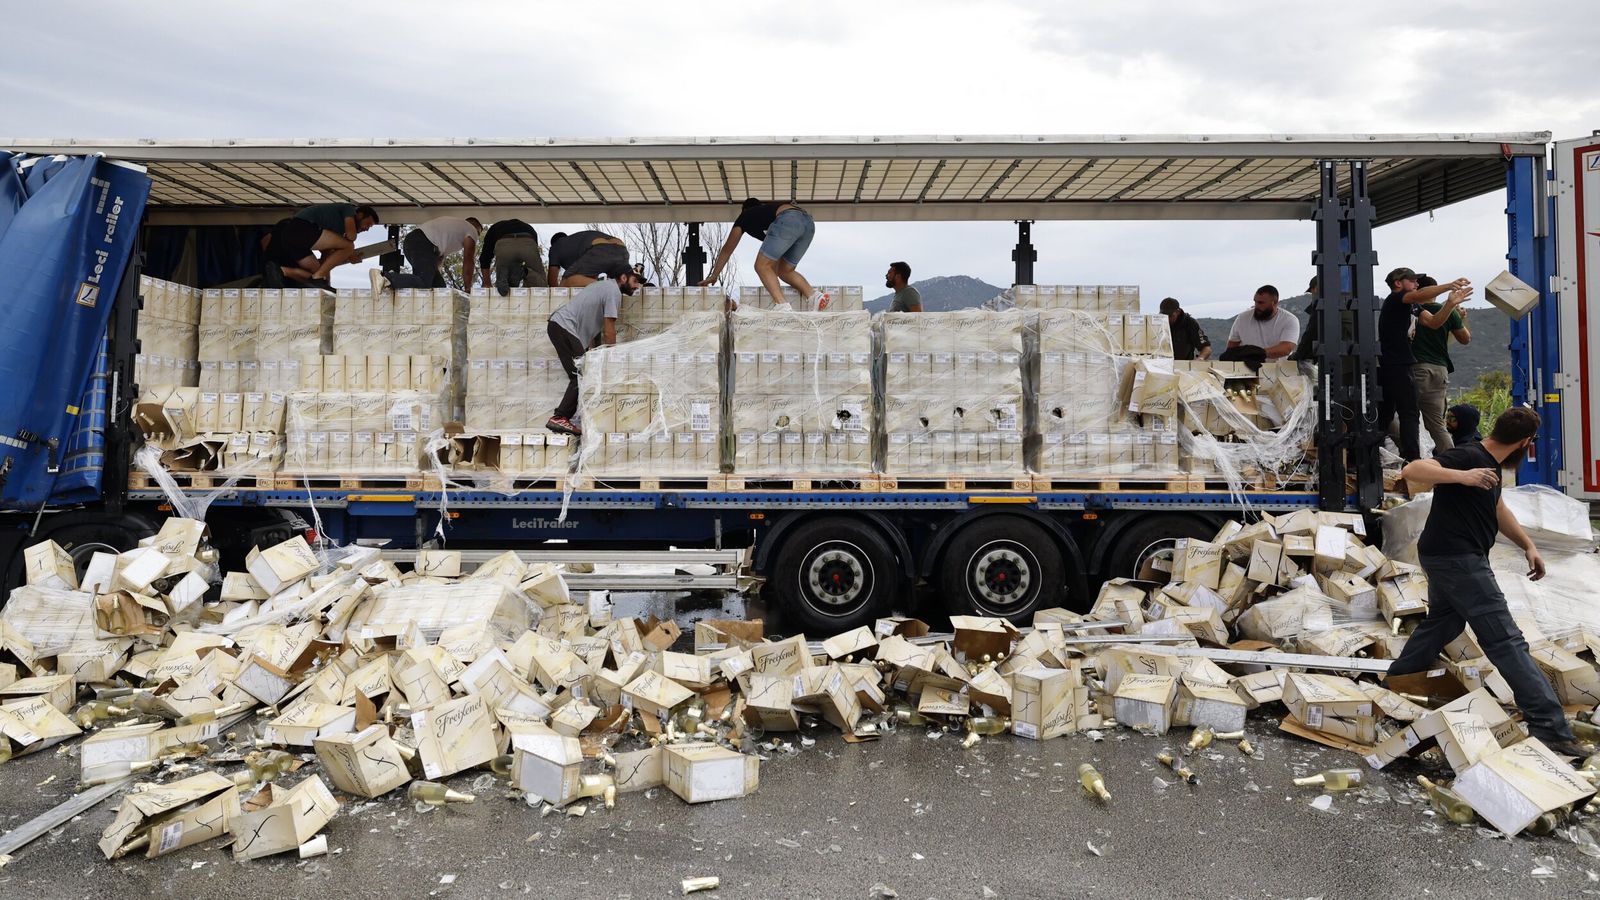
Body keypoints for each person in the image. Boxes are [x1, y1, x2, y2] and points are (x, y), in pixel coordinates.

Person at [1381, 407, 1584, 758]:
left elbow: (1498, 508)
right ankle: (1551, 728)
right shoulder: (1469, 456)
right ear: (1525, 443)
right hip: (1458, 560)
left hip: (1449, 557)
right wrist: (1463, 477)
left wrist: (1528, 546)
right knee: (1506, 640)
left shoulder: (1489, 463)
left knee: (1444, 622)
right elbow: (1412, 470)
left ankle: (1398, 679)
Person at [1378, 267, 1470, 462]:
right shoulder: (1396, 299)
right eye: (1412, 280)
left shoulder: (1414, 307)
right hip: (1396, 363)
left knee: (1389, 414)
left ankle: (1388, 454)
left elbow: (1434, 322)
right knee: (1408, 413)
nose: (1417, 284)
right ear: (1398, 283)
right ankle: (1413, 459)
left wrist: (1450, 305)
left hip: (1403, 363)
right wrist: (1448, 286)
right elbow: (1418, 295)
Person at [545, 267, 644, 436]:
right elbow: (609, 329)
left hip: (560, 327)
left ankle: (563, 417)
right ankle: (560, 417)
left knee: (580, 373)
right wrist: (611, 359)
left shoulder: (603, 287)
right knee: (581, 373)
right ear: (623, 277)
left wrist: (595, 352)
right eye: (635, 282)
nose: (637, 287)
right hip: (564, 326)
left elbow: (595, 328)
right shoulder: (613, 291)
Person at [700, 198, 828, 310]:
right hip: (808, 223)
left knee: (761, 266)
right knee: (785, 271)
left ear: (744, 210)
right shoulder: (767, 213)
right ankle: (815, 297)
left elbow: (727, 249)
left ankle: (782, 305)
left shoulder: (746, 215)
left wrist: (714, 275)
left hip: (788, 219)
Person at [1409, 274, 1473, 452]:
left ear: (1419, 290)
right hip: (1440, 371)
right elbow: (1465, 339)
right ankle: (1452, 463)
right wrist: (1458, 318)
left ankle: (1413, 460)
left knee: (1406, 417)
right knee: (1437, 424)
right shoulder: (1448, 312)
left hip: (1418, 368)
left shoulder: (1411, 309)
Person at [263, 203, 379, 286]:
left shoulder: (336, 230)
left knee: (318, 274)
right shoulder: (349, 209)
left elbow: (326, 255)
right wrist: (350, 253)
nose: (366, 229)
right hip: (301, 228)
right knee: (349, 246)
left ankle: (282, 270)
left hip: (294, 239)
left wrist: (326, 281)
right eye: (368, 224)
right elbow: (351, 236)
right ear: (360, 215)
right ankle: (318, 277)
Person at [370, 217, 481, 294]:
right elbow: (468, 261)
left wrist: (434, 275)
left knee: (438, 287)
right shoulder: (471, 230)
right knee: (424, 283)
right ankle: (385, 278)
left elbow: (438, 260)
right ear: (475, 228)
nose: (477, 238)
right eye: (479, 233)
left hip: (414, 242)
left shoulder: (453, 231)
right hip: (423, 243)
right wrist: (467, 289)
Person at [1224, 285, 1300, 361]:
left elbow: (1286, 348)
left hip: (1278, 370)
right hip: (1246, 368)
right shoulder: (1242, 318)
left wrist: (1258, 353)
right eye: (1255, 301)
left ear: (1274, 303)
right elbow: (1232, 347)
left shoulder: (1290, 320)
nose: (1256, 306)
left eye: (1261, 303)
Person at [478, 219, 547, 296]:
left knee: (504, 290)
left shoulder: (494, 228)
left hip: (504, 245)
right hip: (528, 242)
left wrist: (487, 284)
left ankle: (505, 283)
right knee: (541, 286)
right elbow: (535, 250)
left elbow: (485, 258)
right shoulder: (529, 228)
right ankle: (523, 272)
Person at [545, 230, 629, 288]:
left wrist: (555, 297)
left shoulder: (555, 247)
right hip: (621, 248)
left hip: (600, 247)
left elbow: (552, 280)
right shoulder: (575, 244)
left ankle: (606, 287)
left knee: (567, 281)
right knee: (620, 283)